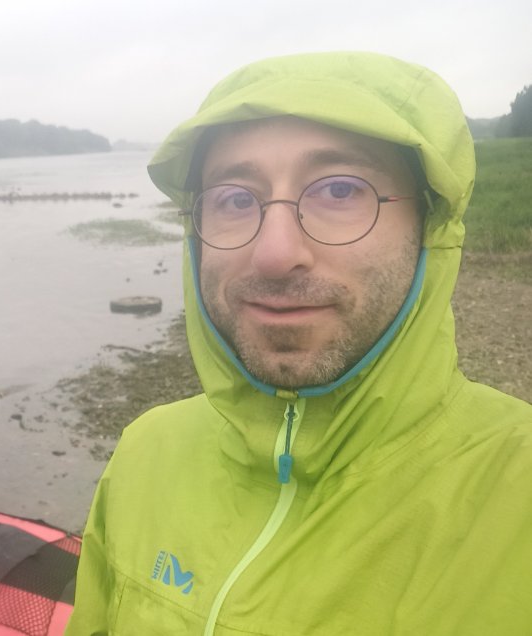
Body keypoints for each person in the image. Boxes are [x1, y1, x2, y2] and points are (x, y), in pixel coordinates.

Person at [66, 51, 532, 635]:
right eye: (236, 199)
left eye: (339, 190)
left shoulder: (516, 499)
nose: (275, 252)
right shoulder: (144, 454)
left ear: (430, 227)